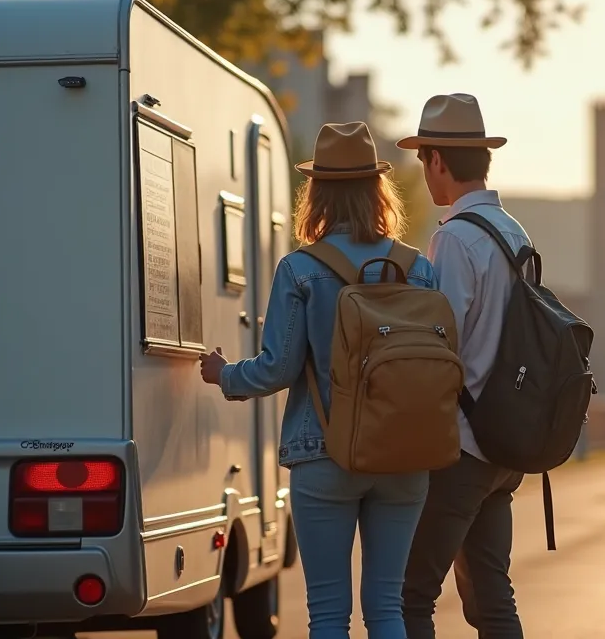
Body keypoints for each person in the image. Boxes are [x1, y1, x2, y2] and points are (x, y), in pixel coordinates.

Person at [198, 121, 437, 639]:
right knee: (387, 606)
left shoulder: (300, 269)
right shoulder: (417, 269)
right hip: (405, 455)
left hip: (324, 450)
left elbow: (279, 369)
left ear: (318, 192)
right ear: (378, 188)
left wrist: (225, 375)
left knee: (329, 611)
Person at [396, 93, 528, 638]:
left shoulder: (454, 239)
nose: (424, 172)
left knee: (408, 597)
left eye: (423, 159)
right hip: (506, 445)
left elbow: (437, 346)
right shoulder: (515, 233)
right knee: (493, 600)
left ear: (438, 161)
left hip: (464, 449)